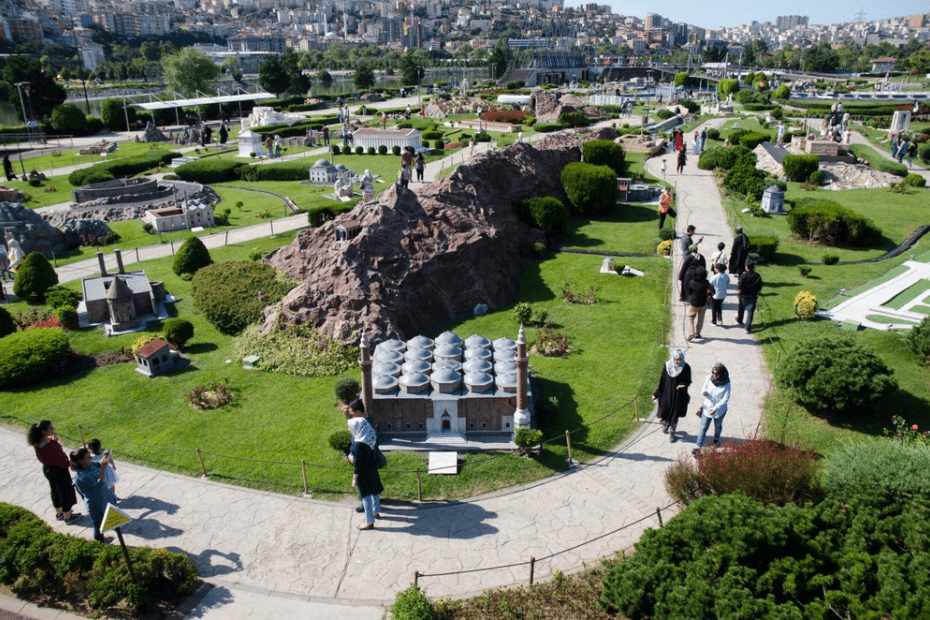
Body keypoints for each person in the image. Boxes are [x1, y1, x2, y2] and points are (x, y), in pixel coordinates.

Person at [27, 420, 79, 523]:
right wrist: (70, 464)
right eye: (51, 428)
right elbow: (60, 458)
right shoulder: (50, 445)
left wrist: (53, 441)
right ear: (44, 432)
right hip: (59, 470)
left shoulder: (38, 443)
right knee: (64, 491)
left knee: (55, 490)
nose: (53, 429)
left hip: (48, 470)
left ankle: (60, 512)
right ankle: (68, 516)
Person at [70, 447, 116, 543]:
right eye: (87, 458)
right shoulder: (80, 476)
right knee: (98, 525)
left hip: (103, 498)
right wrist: (103, 469)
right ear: (80, 461)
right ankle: (100, 541)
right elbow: (99, 484)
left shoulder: (90, 465)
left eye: (90, 457)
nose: (90, 459)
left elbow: (99, 464)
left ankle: (101, 538)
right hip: (95, 504)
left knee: (104, 519)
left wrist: (106, 456)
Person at [348, 416, 383, 530]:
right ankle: (376, 511)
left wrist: (354, 478)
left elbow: (357, 463)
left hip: (363, 473)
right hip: (372, 468)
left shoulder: (358, 444)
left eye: (351, 427)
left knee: (366, 496)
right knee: (374, 491)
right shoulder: (369, 437)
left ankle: (369, 521)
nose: (349, 429)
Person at [652, 349, 691, 443]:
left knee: (675, 414)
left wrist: (683, 385)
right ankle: (666, 423)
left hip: (679, 395)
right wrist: (656, 393)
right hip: (667, 393)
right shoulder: (667, 366)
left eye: (680, 359)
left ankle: (672, 432)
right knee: (665, 410)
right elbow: (662, 380)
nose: (677, 361)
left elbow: (688, 381)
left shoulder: (686, 367)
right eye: (676, 359)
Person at [693, 363, 731, 455]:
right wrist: (704, 392)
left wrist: (716, 408)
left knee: (717, 426)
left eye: (717, 374)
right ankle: (698, 447)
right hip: (707, 408)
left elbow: (725, 398)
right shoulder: (708, 379)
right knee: (703, 428)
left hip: (719, 410)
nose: (714, 375)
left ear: (722, 374)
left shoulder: (727, 384)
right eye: (713, 373)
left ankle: (716, 439)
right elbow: (703, 388)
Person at [736, 259, 763, 333]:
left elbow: (740, 285)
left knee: (741, 309)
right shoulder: (757, 276)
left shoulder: (744, 275)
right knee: (750, 312)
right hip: (752, 296)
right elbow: (759, 287)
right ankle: (747, 327)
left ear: (747, 267)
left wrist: (739, 291)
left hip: (743, 296)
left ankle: (740, 320)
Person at [686, 265, 710, 340]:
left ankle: (691, 333)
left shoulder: (691, 282)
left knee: (690, 317)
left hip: (694, 303)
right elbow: (709, 292)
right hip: (703, 303)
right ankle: (697, 333)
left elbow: (689, 292)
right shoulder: (706, 283)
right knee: (700, 319)